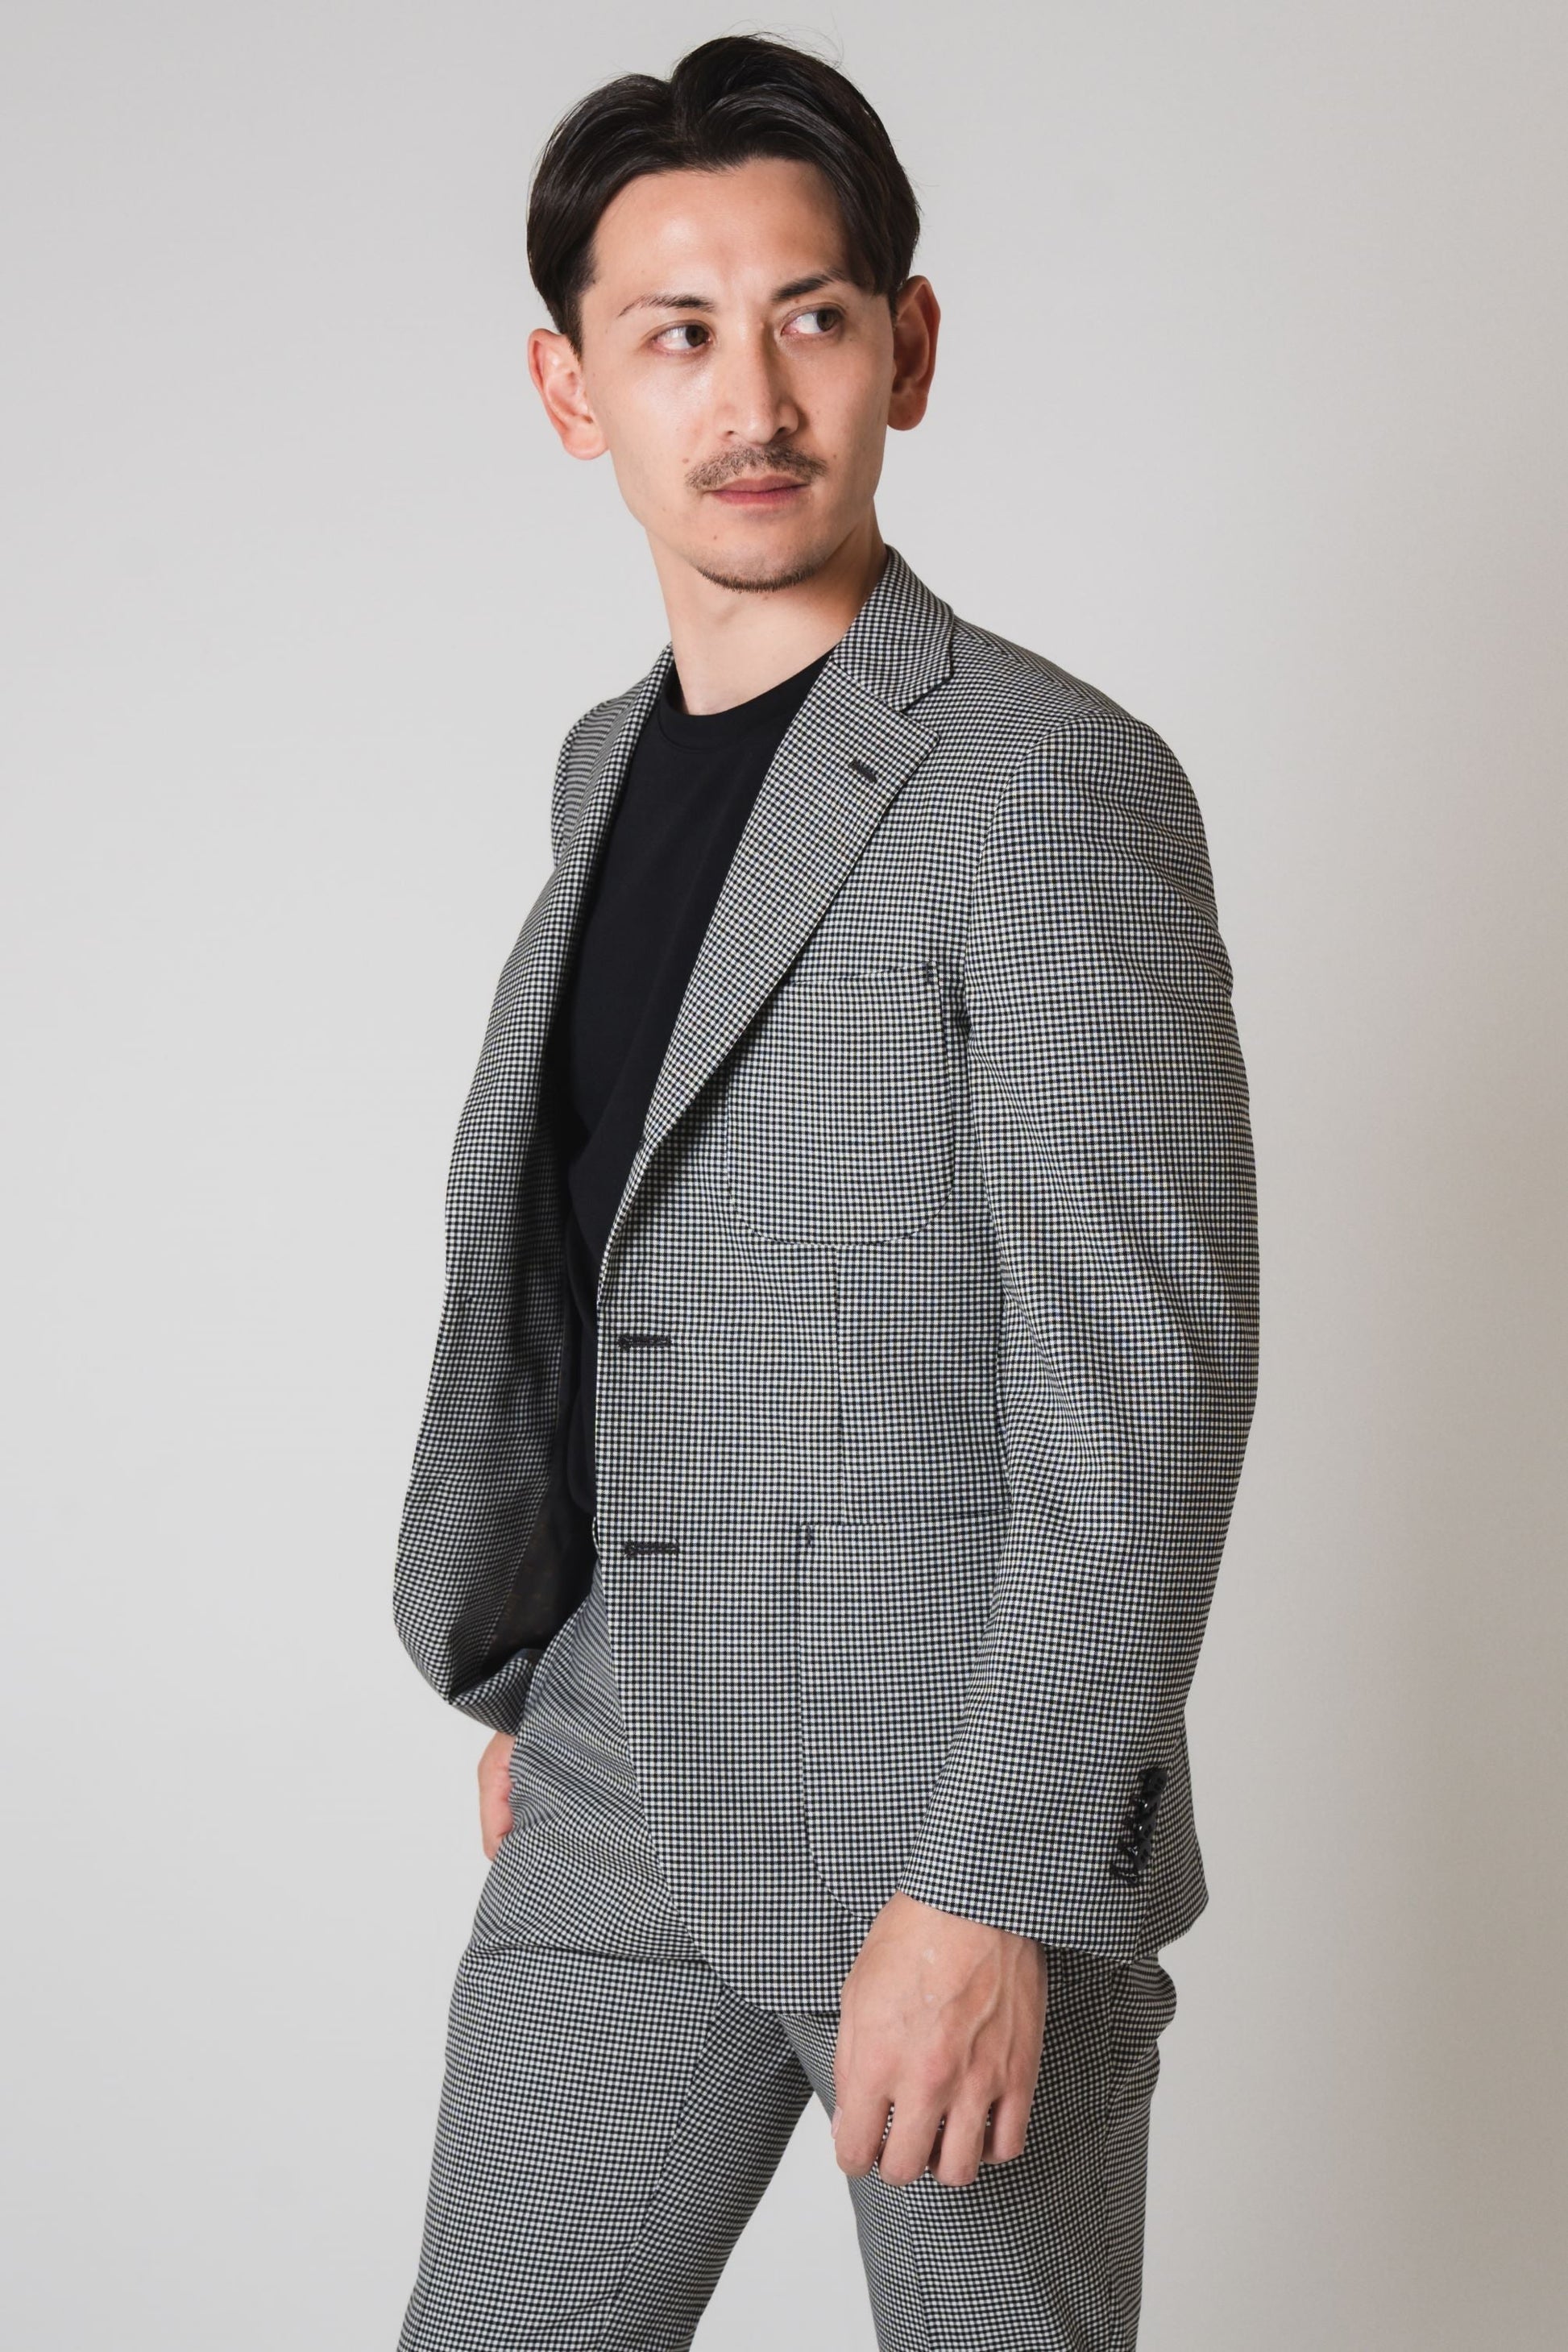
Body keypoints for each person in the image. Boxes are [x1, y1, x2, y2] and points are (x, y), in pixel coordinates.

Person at [392, 31, 1259, 2352]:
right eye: (676, 333)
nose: (752, 398)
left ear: (909, 348)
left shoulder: (1042, 782)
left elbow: (1145, 1377)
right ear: (573, 389)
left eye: (812, 318)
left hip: (942, 1789)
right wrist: (558, 1639)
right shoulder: (603, 770)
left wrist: (996, 1881)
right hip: (615, 1759)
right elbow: (619, 1248)